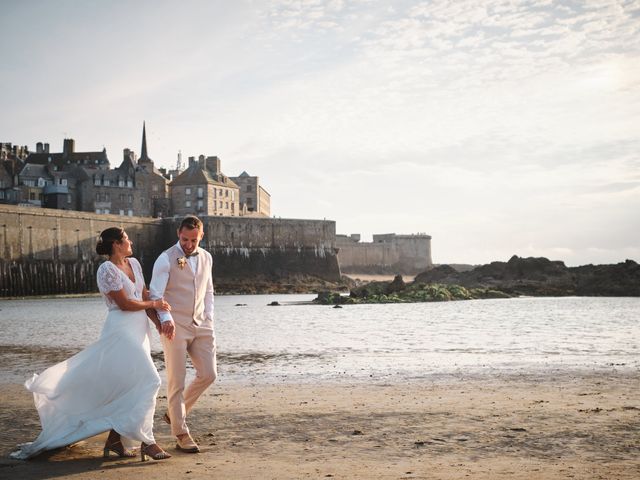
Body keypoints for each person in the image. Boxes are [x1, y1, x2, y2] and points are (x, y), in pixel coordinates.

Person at [11, 227, 171, 461]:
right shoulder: (106, 270)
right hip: (121, 332)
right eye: (126, 239)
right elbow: (126, 304)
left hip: (139, 332)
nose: (131, 242)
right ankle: (148, 442)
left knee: (128, 385)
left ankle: (115, 440)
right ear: (116, 244)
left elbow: (143, 294)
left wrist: (158, 323)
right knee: (151, 380)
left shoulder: (134, 264)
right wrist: (155, 305)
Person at [150, 215, 216, 453]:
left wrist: (209, 317)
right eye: (185, 239)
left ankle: (174, 413)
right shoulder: (165, 258)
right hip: (175, 325)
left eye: (193, 240)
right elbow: (156, 294)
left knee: (209, 374)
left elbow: (208, 290)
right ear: (178, 233)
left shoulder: (206, 257)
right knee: (176, 381)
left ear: (201, 236)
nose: (188, 244)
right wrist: (166, 320)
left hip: (202, 325)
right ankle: (180, 432)